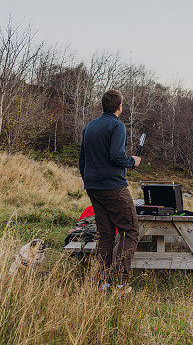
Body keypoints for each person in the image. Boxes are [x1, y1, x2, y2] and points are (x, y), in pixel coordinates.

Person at [78, 89, 141, 291]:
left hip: (93, 186)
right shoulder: (117, 126)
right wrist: (132, 161)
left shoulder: (90, 126)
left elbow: (82, 159)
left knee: (105, 234)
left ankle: (100, 282)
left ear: (103, 105)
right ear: (119, 106)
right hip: (113, 186)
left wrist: (89, 180)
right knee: (129, 230)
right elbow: (116, 155)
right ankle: (120, 283)